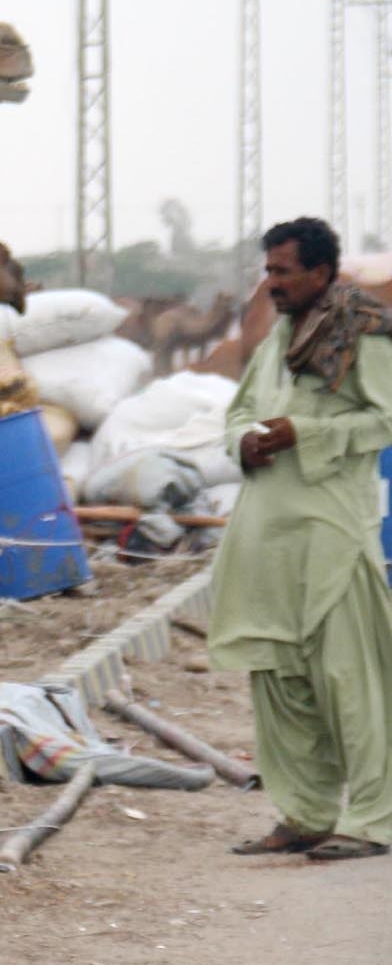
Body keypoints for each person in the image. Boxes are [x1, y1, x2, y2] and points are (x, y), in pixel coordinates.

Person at [211, 216, 392, 862]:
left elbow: (386, 419)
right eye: (268, 270)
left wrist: (308, 434)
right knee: (279, 680)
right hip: (267, 536)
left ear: (321, 272)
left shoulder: (365, 334)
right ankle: (306, 814)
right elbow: (238, 412)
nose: (272, 282)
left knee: (351, 681)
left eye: (283, 270)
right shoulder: (279, 338)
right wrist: (245, 441)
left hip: (331, 534)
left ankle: (375, 820)